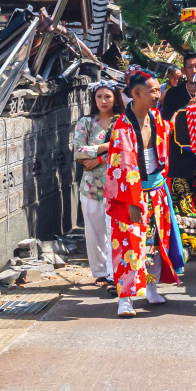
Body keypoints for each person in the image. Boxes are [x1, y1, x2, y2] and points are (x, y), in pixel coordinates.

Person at [106, 68, 185, 317]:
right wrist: (130, 201)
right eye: (152, 90)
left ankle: (151, 287)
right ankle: (125, 298)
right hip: (131, 193)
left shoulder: (157, 119)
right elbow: (120, 169)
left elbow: (166, 146)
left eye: (158, 90)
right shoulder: (122, 126)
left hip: (157, 189)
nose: (157, 94)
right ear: (136, 93)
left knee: (155, 243)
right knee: (129, 244)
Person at [160, 54, 196, 254]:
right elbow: (167, 121)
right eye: (189, 67)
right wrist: (186, 109)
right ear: (184, 71)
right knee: (181, 198)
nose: (193, 70)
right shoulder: (174, 94)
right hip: (179, 154)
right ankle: (185, 241)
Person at [71, 82, 120, 286]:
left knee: (114, 232)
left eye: (107, 96)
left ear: (115, 98)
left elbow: (125, 150)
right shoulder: (86, 122)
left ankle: (113, 272)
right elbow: (78, 152)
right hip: (91, 186)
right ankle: (100, 272)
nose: (103, 101)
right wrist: (107, 146)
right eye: (99, 97)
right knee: (93, 233)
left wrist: (98, 157)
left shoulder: (121, 122)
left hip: (116, 185)